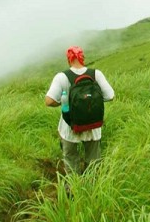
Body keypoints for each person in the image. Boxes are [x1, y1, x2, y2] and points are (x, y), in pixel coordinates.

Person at [45, 46, 115, 175]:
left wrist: (64, 102)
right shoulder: (96, 74)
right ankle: (92, 186)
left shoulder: (62, 77)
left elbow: (49, 101)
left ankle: (72, 188)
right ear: (83, 58)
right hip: (93, 126)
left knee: (71, 159)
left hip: (70, 126)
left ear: (69, 59)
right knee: (93, 161)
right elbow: (110, 96)